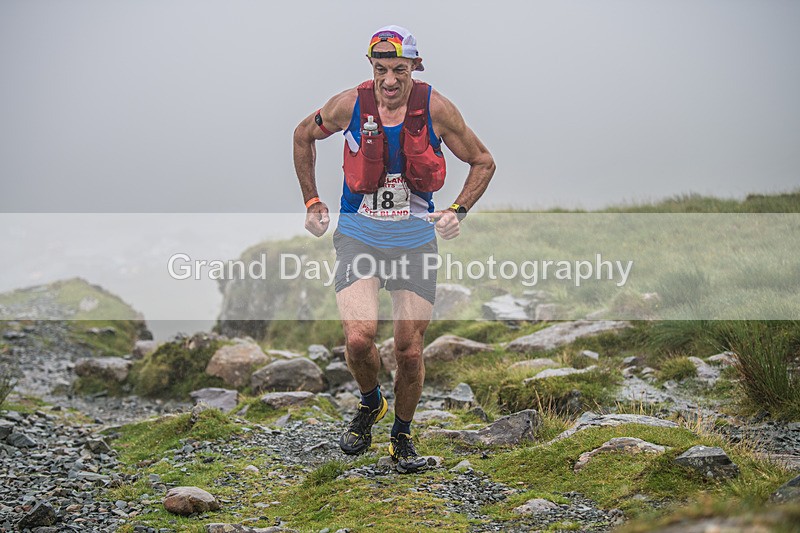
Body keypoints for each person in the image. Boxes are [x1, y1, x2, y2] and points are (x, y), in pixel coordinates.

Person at [292, 25, 495, 473]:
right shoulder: (348, 105)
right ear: (371, 66)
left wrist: (457, 210)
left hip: (414, 241)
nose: (389, 79)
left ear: (414, 68)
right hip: (359, 235)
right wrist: (312, 200)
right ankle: (371, 402)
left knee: (408, 349)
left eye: (399, 69)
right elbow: (302, 135)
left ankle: (401, 436)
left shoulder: (436, 109)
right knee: (358, 338)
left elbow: (483, 161)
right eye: (381, 69)